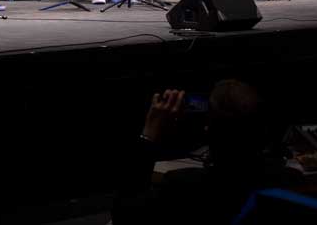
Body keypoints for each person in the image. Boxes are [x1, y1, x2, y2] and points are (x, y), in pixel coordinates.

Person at [113, 79, 296, 224]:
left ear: (208, 131)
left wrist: (149, 133)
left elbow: (125, 215)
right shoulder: (288, 180)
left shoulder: (183, 186)